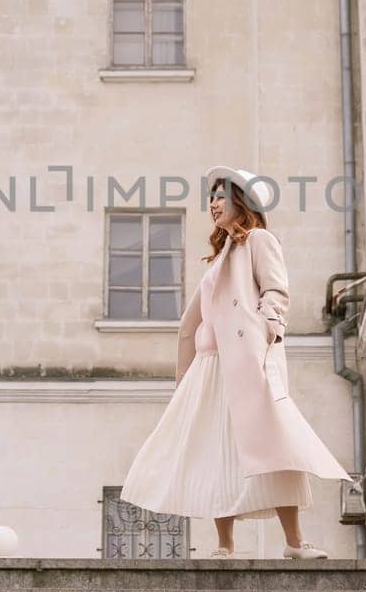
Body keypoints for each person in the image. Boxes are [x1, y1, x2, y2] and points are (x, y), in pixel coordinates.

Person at [120, 165, 347, 560]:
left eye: (221, 195)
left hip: (247, 360)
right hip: (211, 367)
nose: (213, 203)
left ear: (243, 201)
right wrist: (186, 373)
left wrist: (268, 329)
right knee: (213, 449)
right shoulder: (218, 257)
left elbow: (276, 290)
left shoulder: (259, 240)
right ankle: (224, 545)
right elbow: (194, 321)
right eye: (211, 197)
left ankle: (294, 543)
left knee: (275, 443)